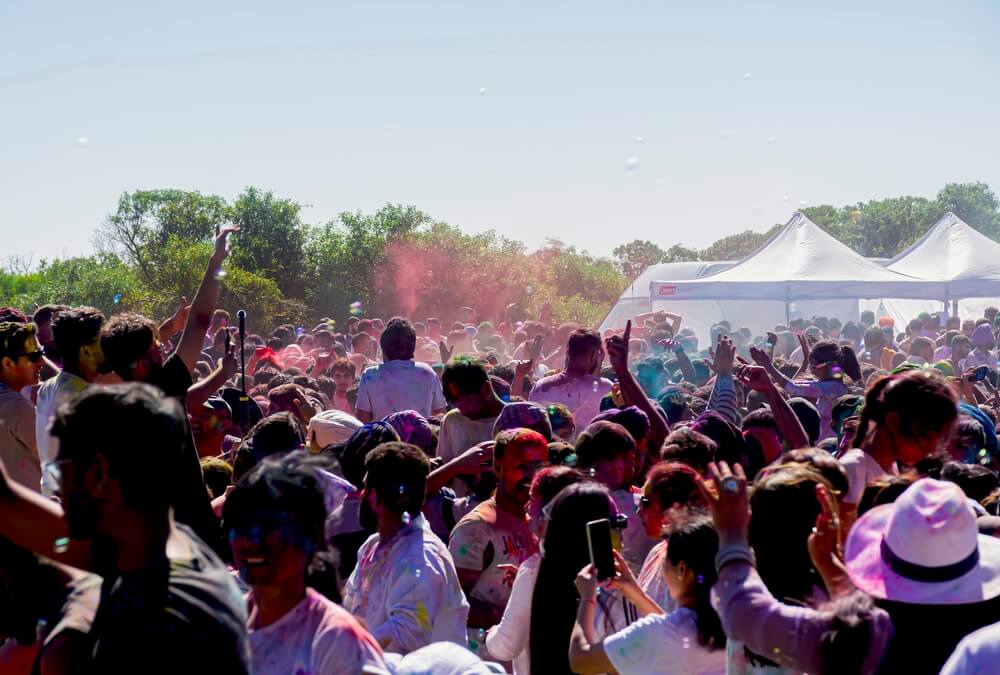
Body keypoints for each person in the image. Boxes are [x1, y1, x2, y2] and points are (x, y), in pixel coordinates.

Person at [48, 383, 250, 673]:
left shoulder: (153, 626)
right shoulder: (171, 554)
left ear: (98, 473)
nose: (58, 493)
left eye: (61, 473)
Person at [223, 453, 386, 674]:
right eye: (241, 523)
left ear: (311, 537)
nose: (253, 539)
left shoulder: (337, 642)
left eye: (270, 524)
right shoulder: (223, 625)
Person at [343, 442, 469, 654]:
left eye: (365, 488)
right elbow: (351, 605)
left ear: (374, 498)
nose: (361, 495)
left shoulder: (421, 557)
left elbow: (406, 634)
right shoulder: (371, 547)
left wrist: (346, 652)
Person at [568, 515, 727, 674]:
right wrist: (637, 594)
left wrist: (587, 598)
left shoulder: (657, 634)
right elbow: (670, 627)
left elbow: (581, 659)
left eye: (665, 560)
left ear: (681, 569)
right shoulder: (735, 620)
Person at [449, 429, 545, 654]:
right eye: (522, 466)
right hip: (485, 658)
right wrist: (503, 617)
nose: (532, 476)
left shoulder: (539, 522)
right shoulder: (476, 529)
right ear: (498, 467)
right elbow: (451, 601)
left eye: (539, 466)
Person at [484, 465, 586, 675]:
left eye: (534, 500)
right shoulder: (602, 561)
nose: (528, 508)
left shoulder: (534, 570)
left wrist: (490, 634)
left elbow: (506, 646)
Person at [528, 482, 635, 675]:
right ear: (589, 534)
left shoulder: (546, 583)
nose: (621, 532)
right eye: (616, 523)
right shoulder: (606, 597)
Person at [839, 370, 958, 520]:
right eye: (926, 436)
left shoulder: (891, 467)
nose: (932, 449)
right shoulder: (854, 470)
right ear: (893, 422)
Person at [35, 307, 106, 495]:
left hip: (52, 498)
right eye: (102, 341)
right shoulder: (86, 399)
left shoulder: (47, 387)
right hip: (78, 507)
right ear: (86, 350)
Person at [575, 421, 654, 574]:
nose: (637, 463)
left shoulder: (571, 501)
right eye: (632, 458)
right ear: (616, 465)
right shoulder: (638, 504)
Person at [751, 339, 861, 442]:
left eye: (814, 367)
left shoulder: (834, 388)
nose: (812, 372)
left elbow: (793, 388)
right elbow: (795, 385)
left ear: (831, 365)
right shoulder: (828, 386)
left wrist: (769, 367)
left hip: (829, 442)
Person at [635, 462, 707, 612]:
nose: (639, 512)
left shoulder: (695, 564)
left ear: (674, 508)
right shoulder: (657, 552)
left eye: (645, 502)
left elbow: (680, 631)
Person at [355, 317, 447, 422]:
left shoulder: (370, 375)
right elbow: (440, 415)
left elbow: (363, 420)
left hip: (383, 437)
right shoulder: (427, 372)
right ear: (412, 346)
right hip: (420, 437)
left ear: (384, 347)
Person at [529, 328, 612, 430]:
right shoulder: (606, 388)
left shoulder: (541, 386)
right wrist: (597, 366)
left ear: (567, 351)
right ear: (596, 354)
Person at [0, 321, 43, 491]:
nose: (41, 361)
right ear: (9, 364)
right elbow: (53, 456)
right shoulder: (16, 406)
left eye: (42, 353)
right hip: (26, 512)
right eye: (33, 356)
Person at [437, 358, 506, 464]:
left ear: (486, 389)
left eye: (467, 403)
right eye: (457, 405)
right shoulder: (452, 421)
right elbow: (443, 467)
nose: (463, 412)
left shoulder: (513, 420)